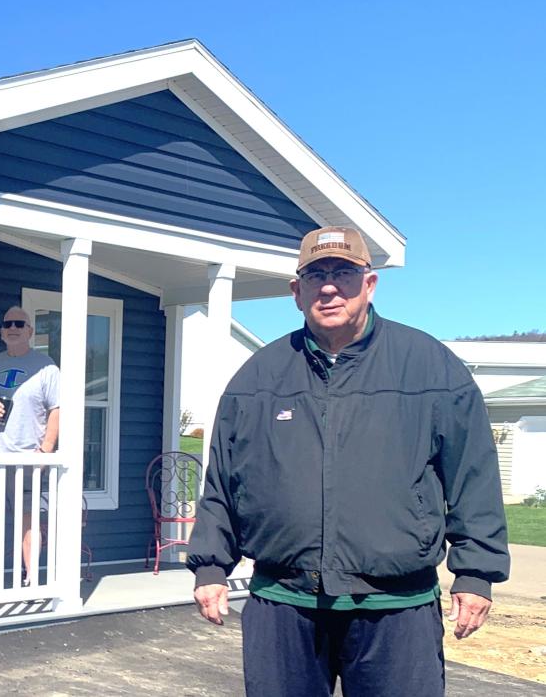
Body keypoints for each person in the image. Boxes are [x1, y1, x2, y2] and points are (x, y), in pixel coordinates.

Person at [186, 226, 509, 697]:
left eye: (344, 273)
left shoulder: (431, 369)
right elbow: (222, 482)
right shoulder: (257, 379)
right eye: (316, 275)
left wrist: (476, 573)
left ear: (370, 284)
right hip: (285, 603)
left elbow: (473, 478)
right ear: (297, 293)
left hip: (397, 607)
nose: (330, 286)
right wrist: (211, 566)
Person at [0, 305, 59, 592]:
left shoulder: (46, 367)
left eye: (20, 323)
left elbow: (58, 409)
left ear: (30, 331)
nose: (13, 328)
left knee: (28, 523)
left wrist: (45, 451)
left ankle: (31, 579)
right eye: (8, 324)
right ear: (1, 332)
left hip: (28, 460)